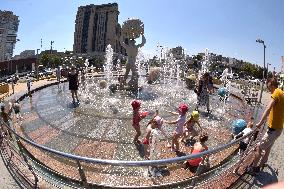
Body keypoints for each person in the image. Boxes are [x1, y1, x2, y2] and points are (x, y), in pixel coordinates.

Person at [247, 78, 284, 175]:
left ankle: (254, 169)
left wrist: (260, 123)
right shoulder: (282, 93)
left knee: (258, 148)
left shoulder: (276, 93)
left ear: (271, 84)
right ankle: (260, 166)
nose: (267, 87)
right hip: (279, 129)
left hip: (273, 130)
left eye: (267, 85)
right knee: (268, 149)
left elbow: (268, 108)